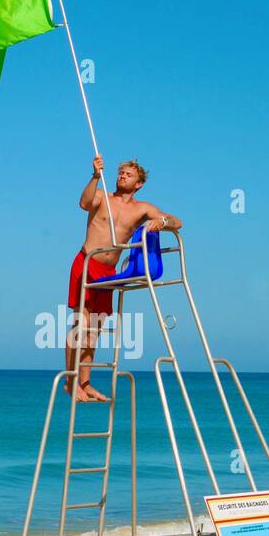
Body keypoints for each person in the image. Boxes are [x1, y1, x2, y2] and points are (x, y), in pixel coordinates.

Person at [65, 155, 183, 401]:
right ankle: (70, 382)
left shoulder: (142, 208)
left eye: (128, 174)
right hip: (87, 262)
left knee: (94, 330)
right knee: (82, 325)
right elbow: (84, 204)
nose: (122, 176)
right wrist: (96, 176)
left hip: (109, 272)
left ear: (138, 184)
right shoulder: (102, 197)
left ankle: (85, 383)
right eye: (120, 173)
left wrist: (160, 221)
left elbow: (176, 222)